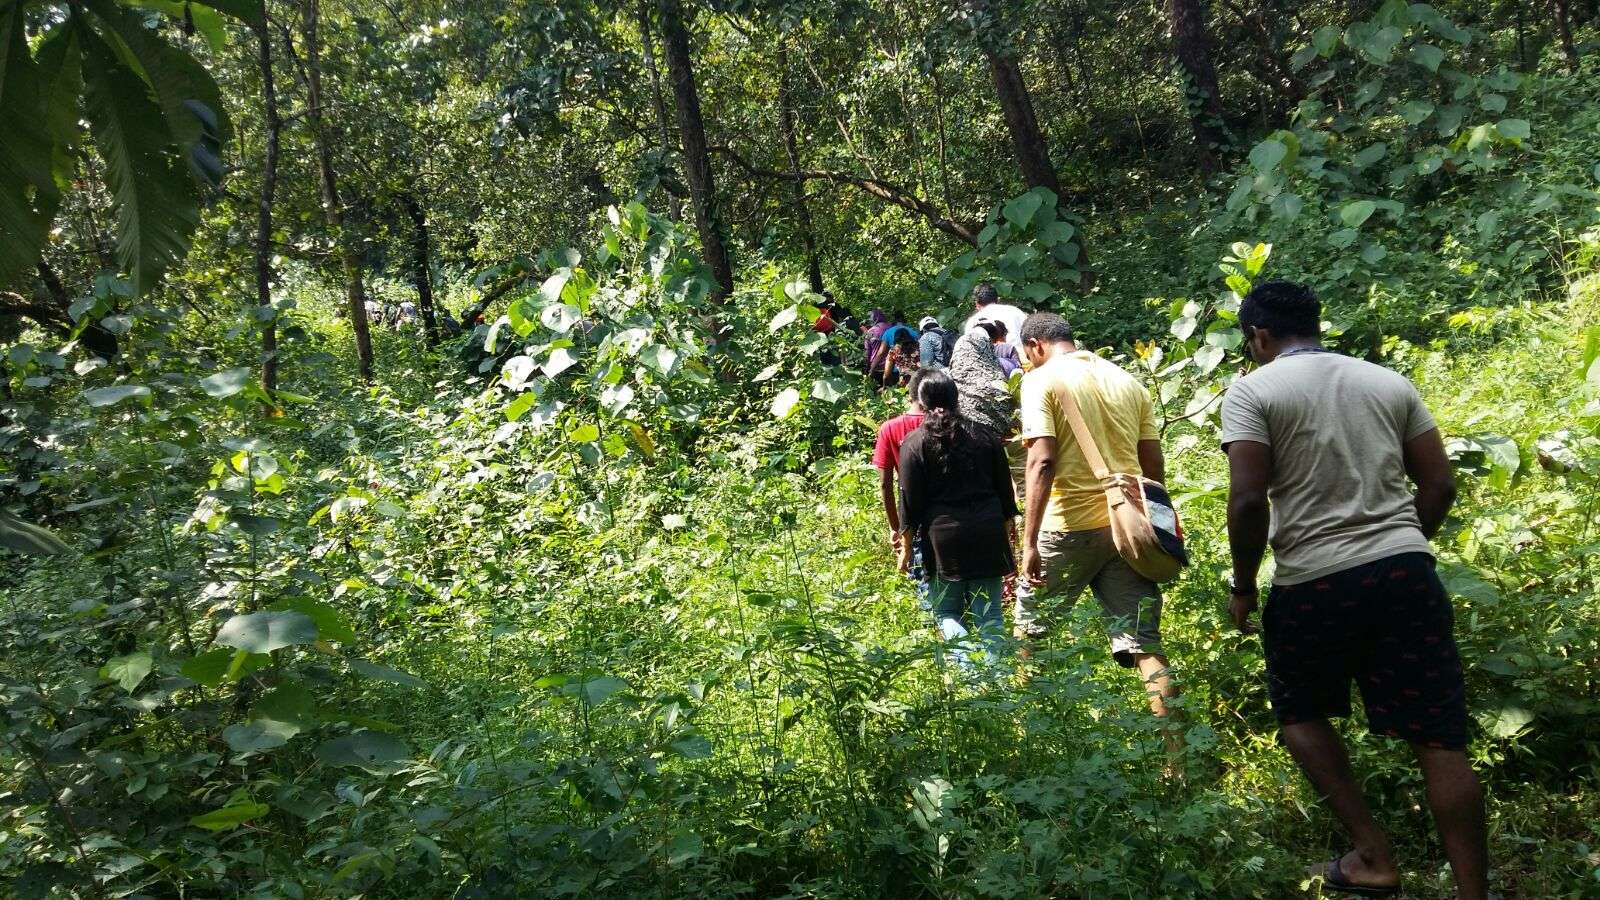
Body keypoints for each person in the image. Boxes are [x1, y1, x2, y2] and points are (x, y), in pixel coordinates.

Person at [1221, 281, 1485, 899]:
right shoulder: (1387, 382)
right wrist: (1399, 547)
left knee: (1301, 713)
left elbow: (1248, 499)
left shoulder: (1252, 391)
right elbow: (1440, 485)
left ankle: (1373, 855)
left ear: (1258, 336)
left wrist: (1243, 585)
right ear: (1315, 324)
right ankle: (1476, 893)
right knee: (1440, 737)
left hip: (1314, 581)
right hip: (1405, 572)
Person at [1016, 312, 1177, 722]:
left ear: (1036, 346)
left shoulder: (1040, 380)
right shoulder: (1128, 382)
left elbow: (1042, 461)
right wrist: (1152, 524)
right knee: (1145, 645)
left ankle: (1023, 737)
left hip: (1066, 526)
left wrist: (1028, 541)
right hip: (1125, 528)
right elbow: (1152, 464)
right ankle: (1178, 758)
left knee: (1030, 635)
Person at [897, 369, 1020, 670]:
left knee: (947, 612)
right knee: (989, 614)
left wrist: (905, 550)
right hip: (988, 533)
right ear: (956, 397)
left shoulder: (914, 443)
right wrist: (1010, 535)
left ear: (921, 402)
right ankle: (998, 684)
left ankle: (971, 677)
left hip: (943, 541)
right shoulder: (984, 436)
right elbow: (1005, 492)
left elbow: (909, 505)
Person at [874, 368, 932, 604]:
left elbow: (885, 484)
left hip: (912, 512)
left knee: (925, 587)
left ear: (909, 395)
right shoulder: (946, 423)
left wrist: (895, 526)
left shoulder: (890, 428)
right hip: (952, 511)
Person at [948, 326, 1013, 438]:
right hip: (999, 445)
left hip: (963, 444)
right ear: (987, 349)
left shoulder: (949, 383)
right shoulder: (997, 380)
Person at [962, 282, 1028, 343]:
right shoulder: (1016, 311)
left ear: (977, 304)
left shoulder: (973, 321)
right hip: (1020, 353)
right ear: (997, 299)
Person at [863, 309, 890, 377]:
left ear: (874, 318)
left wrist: (867, 369)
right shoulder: (891, 327)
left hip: (876, 367)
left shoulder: (871, 332)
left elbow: (867, 352)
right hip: (892, 366)